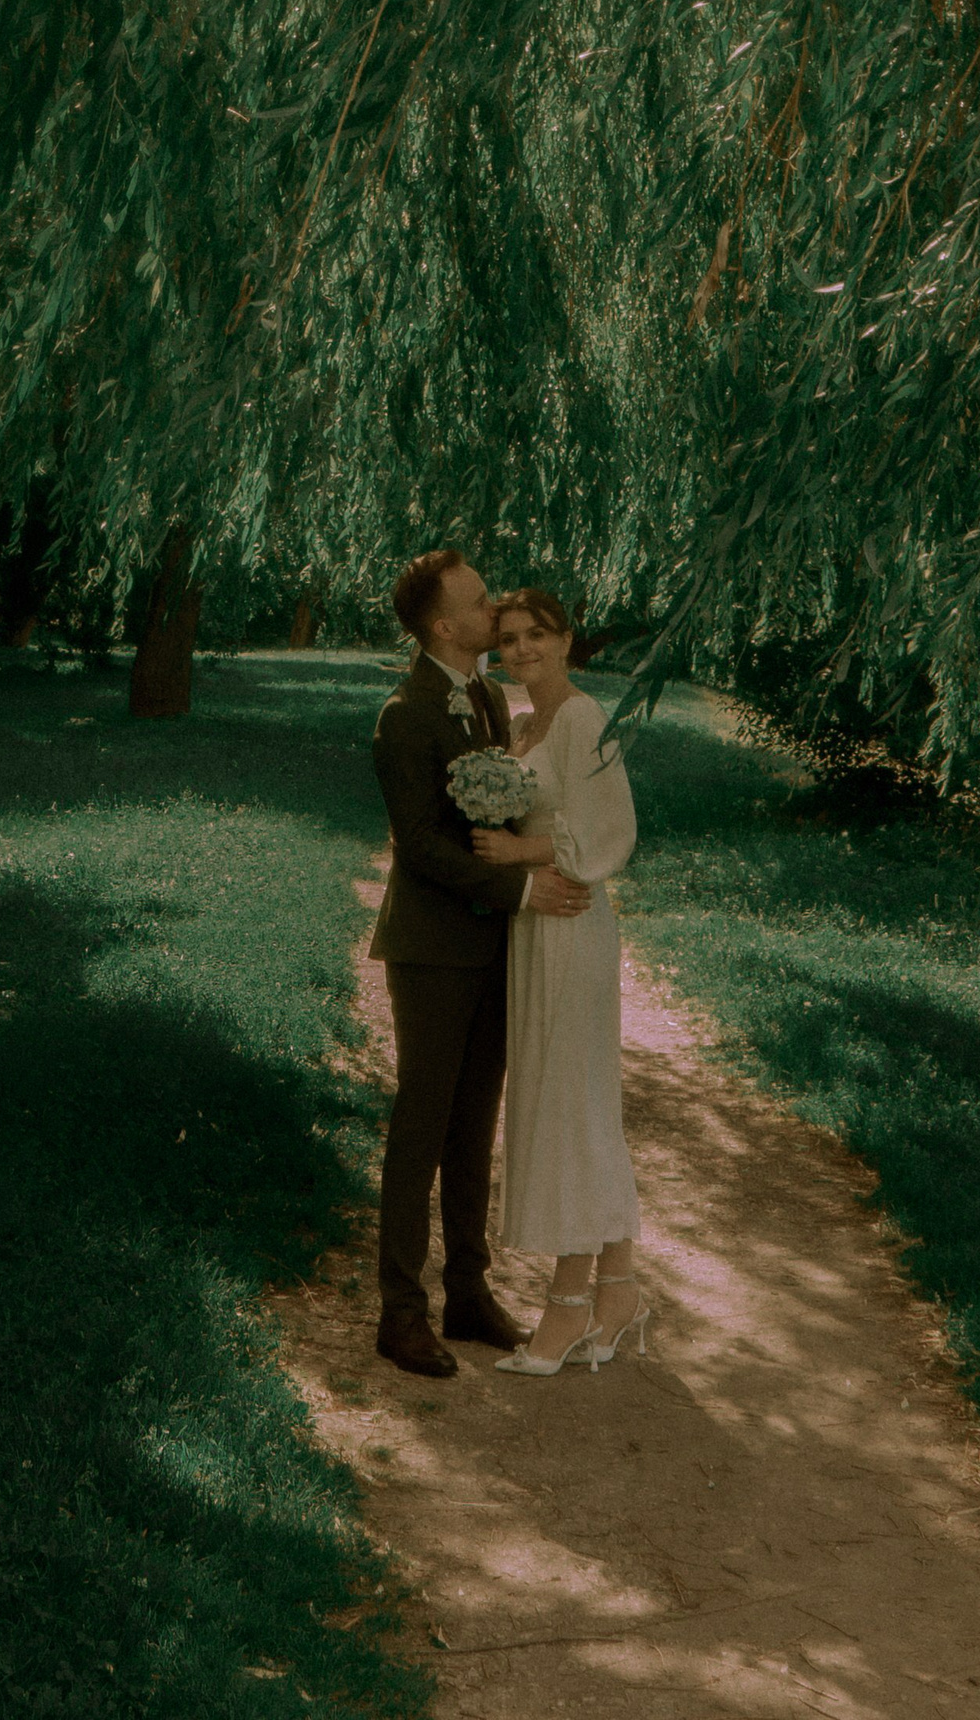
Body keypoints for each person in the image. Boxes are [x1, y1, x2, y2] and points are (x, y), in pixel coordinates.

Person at [367, 547, 591, 1379]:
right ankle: (399, 1311)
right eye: (478, 600)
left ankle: (467, 1291)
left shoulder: (492, 697)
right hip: (431, 950)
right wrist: (525, 892)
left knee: (473, 1126)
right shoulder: (404, 713)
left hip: (492, 950)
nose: (493, 609)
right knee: (422, 1124)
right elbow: (421, 847)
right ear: (442, 625)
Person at [472, 586, 647, 1374]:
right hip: (533, 929)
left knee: (571, 1104)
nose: (521, 650)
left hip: (571, 923)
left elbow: (606, 832)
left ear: (568, 639)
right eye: (507, 639)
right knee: (572, 1100)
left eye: (536, 635)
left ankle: (568, 1307)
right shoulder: (520, 726)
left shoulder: (581, 719)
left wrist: (520, 854)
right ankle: (619, 1293)